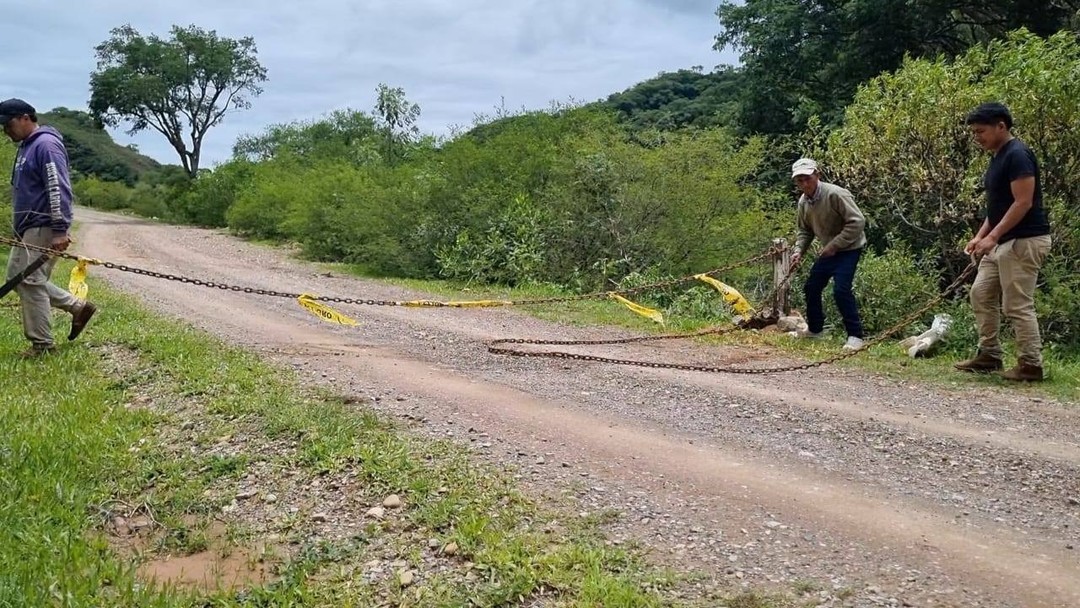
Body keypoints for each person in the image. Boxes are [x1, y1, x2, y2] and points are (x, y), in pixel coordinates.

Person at [955, 102, 1051, 381]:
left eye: (981, 131)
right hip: (1000, 241)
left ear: (1001, 126)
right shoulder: (998, 157)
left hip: (1024, 240)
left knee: (1016, 304)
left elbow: (1023, 202)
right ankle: (990, 354)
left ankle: (1031, 364)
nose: (977, 137)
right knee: (980, 293)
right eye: (974, 132)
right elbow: (997, 208)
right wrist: (981, 236)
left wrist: (993, 237)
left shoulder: (1018, 155)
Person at [2, 98, 96, 357]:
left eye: (8, 124)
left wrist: (60, 229)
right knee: (18, 279)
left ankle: (42, 345)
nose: (5, 131)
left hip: (43, 223)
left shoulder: (45, 144)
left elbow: (58, 187)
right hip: (28, 227)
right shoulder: (26, 147)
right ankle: (78, 307)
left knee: (30, 280)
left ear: (24, 118)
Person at [789, 158, 867, 351]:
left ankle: (856, 336)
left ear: (817, 175)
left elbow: (857, 222)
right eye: (800, 180)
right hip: (829, 250)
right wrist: (798, 251)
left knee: (841, 290)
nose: (804, 184)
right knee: (812, 287)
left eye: (807, 178)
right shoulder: (803, 202)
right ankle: (815, 330)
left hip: (849, 248)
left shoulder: (836, 194)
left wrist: (835, 244)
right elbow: (805, 230)